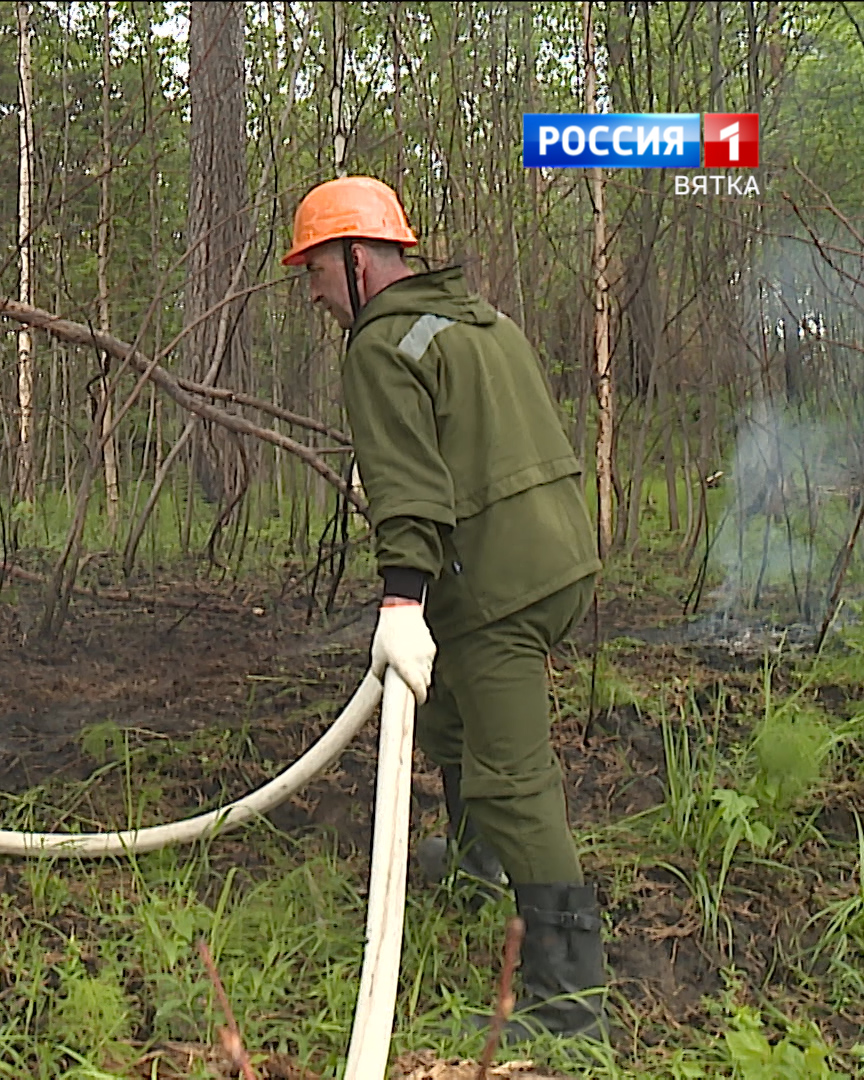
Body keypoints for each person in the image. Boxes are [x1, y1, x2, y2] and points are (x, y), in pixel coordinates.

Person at [283, 176, 606, 1041]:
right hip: (556, 554)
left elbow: (409, 491)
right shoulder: (477, 319)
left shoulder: (381, 346)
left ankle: (569, 1006)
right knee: (453, 722)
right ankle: (476, 869)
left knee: (512, 778)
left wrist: (401, 600)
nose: (309, 291)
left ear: (357, 260)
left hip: (496, 585)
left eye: (313, 268)